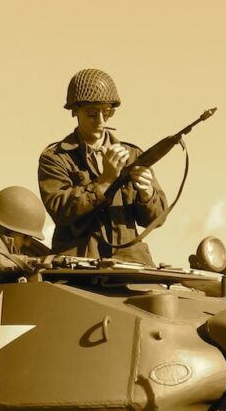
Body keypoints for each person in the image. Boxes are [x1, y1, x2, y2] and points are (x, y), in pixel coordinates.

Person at [38, 68, 168, 265]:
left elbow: (156, 219)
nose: (100, 121)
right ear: (75, 111)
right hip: (79, 266)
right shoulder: (56, 158)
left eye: (107, 113)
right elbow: (61, 211)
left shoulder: (133, 155)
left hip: (131, 264)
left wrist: (147, 193)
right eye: (92, 113)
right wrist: (105, 181)